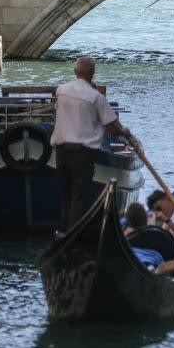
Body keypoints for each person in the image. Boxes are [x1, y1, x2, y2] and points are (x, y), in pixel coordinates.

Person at [51, 57, 140, 231]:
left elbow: (58, 113)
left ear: (75, 72)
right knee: (79, 197)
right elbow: (112, 126)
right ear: (92, 74)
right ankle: (73, 235)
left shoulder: (61, 91)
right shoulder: (95, 97)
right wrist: (126, 133)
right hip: (82, 155)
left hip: (61, 152)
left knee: (65, 195)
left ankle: (63, 232)